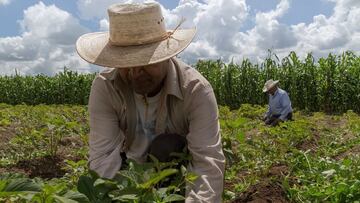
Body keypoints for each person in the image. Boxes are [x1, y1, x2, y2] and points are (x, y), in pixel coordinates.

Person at [75, 2, 225, 202]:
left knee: (167, 145)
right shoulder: (105, 86)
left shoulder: (195, 90)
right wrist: (112, 197)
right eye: (126, 64)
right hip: (129, 166)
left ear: (168, 54)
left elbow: (207, 162)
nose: (136, 73)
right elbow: (103, 156)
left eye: (146, 62)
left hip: (173, 166)